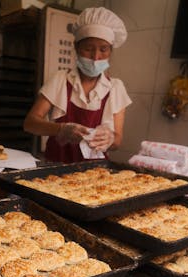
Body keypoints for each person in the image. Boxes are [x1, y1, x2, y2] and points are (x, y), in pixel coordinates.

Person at [24, 6, 132, 163]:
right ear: (76, 47)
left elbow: (117, 142)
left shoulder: (115, 88)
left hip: (95, 174)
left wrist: (109, 139)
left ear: (110, 52)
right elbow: (30, 123)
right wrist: (61, 129)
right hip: (55, 166)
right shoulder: (61, 80)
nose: (96, 57)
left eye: (103, 49)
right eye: (88, 49)